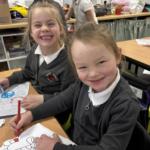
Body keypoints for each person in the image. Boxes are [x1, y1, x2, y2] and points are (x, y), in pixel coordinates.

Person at [9, 23, 142, 150]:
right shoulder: (82, 83)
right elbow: (61, 101)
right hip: (72, 141)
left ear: (117, 56)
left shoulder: (126, 104)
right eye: (83, 67)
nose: (93, 74)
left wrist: (56, 147)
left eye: (101, 62)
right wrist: (31, 115)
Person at [0, 1, 75, 124]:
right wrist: (10, 80)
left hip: (57, 116)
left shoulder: (69, 61)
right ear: (31, 32)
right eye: (37, 25)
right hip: (32, 102)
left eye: (51, 24)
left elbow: (70, 98)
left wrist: (42, 99)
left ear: (61, 29)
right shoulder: (35, 49)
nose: (44, 29)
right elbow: (28, 72)